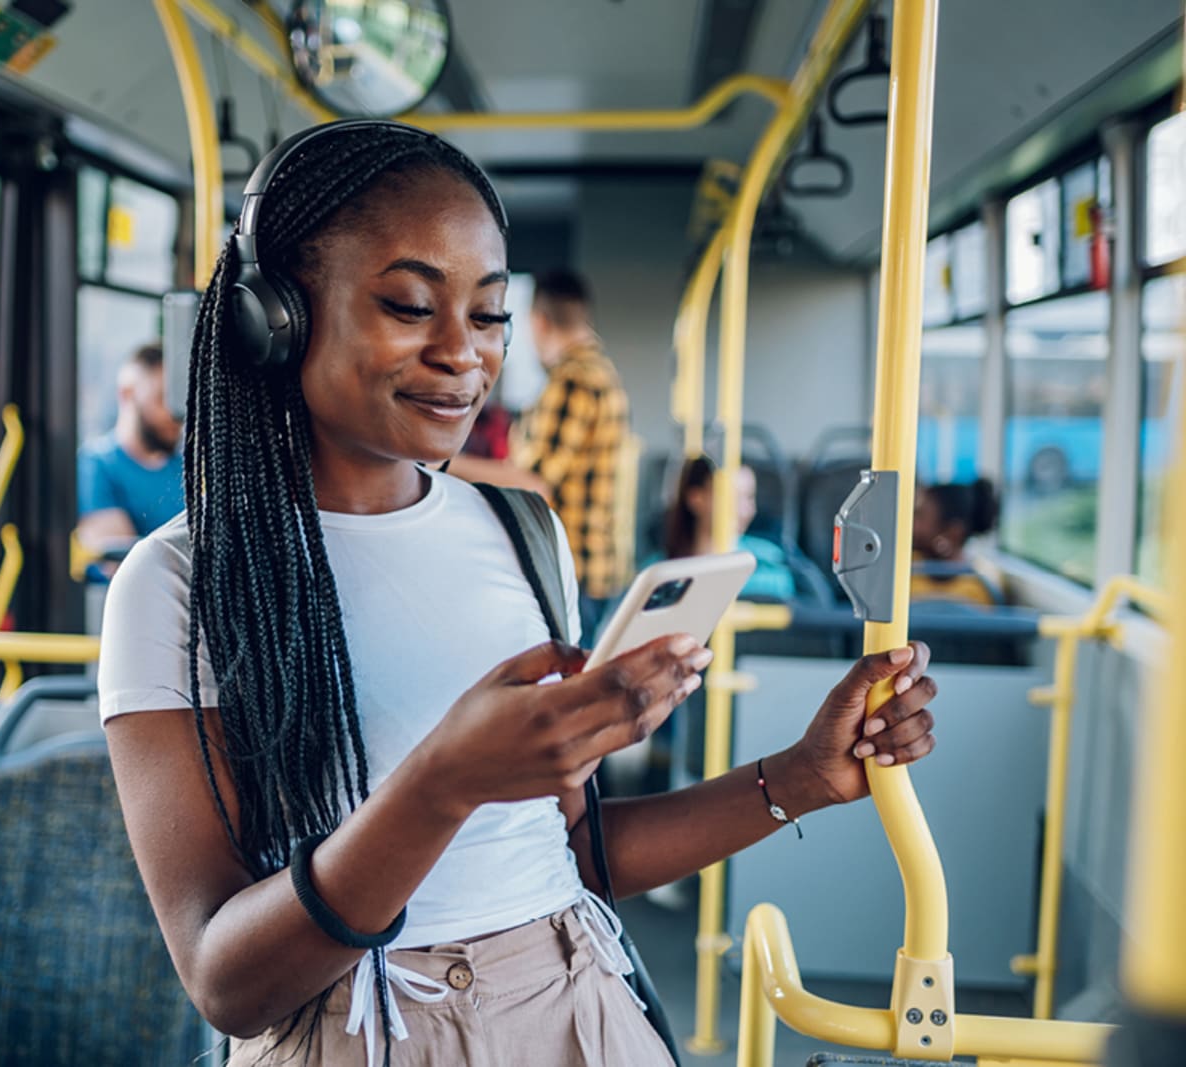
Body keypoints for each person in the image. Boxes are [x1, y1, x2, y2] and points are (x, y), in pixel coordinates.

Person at [99, 120, 940, 1067]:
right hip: (359, 1028)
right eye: (411, 305)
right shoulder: (176, 585)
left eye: (491, 314)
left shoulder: (520, 533)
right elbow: (226, 983)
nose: (465, 354)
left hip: (578, 1001)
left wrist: (797, 778)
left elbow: (571, 856)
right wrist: (442, 784)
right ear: (276, 317)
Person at [505, 270, 630, 640]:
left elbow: (533, 481)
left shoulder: (573, 380)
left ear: (539, 322)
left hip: (572, 568)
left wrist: (445, 466)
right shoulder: (603, 374)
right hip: (597, 568)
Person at [75, 343, 184, 576]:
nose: (175, 415)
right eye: (161, 399)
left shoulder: (187, 470)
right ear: (127, 394)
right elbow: (123, 565)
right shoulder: (96, 465)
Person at [663, 455, 797, 601]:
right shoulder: (660, 572)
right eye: (733, 497)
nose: (745, 510)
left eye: (749, 497)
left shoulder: (772, 560)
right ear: (696, 499)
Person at [911, 478, 1002, 606]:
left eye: (919, 515)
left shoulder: (981, 587)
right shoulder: (904, 568)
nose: (910, 523)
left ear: (952, 532)